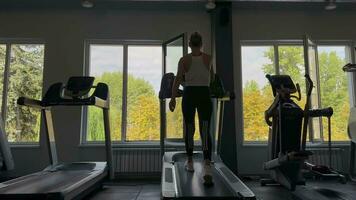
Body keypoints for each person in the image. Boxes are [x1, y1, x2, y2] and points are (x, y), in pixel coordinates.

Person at [169, 32, 215, 185]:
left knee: (189, 128)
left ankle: (189, 161)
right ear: (201, 44)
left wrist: (173, 98)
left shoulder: (184, 60)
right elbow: (212, 78)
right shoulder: (208, 58)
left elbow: (177, 80)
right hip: (204, 93)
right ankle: (207, 165)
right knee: (205, 128)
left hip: (189, 93)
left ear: (189, 44)